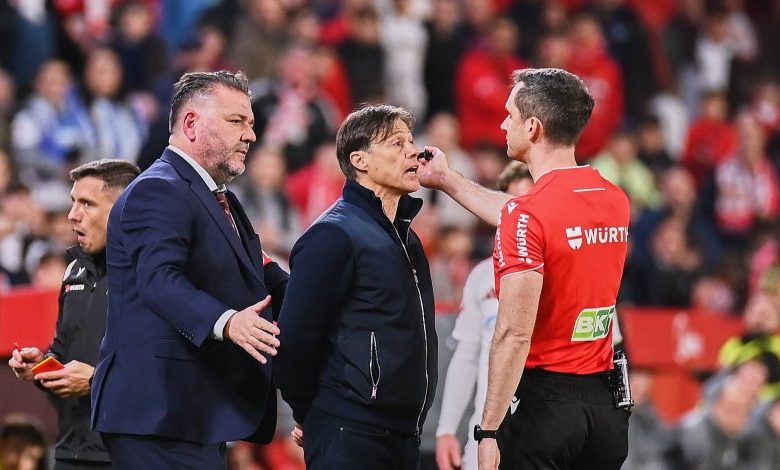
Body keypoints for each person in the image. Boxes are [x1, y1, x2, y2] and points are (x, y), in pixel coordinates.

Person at [417, 67, 631, 470]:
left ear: (532, 128)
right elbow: (531, 215)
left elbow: (514, 334)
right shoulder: (613, 198)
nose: (503, 124)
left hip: (546, 409)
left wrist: (488, 431)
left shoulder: (528, 215)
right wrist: (446, 180)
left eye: (510, 115)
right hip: (605, 411)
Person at [90, 70, 289, 469]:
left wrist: (329, 299)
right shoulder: (158, 189)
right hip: (156, 413)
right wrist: (228, 322)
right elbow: (159, 280)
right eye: (236, 121)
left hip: (190, 412)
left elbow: (261, 274)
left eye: (251, 123)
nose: (250, 135)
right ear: (192, 124)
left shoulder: (218, 197)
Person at [274, 104, 438, 469]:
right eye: (397, 143)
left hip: (403, 434)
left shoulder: (407, 238)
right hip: (350, 431)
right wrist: (310, 411)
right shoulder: (333, 235)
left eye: (411, 141)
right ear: (359, 160)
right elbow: (296, 339)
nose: (413, 151)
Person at [8, 159, 140, 469]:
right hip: (71, 450)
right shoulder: (73, 271)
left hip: (127, 453)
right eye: (73, 202)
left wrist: (95, 381)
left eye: (87, 204)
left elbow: (166, 370)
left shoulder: (150, 275)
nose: (72, 215)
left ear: (124, 209)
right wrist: (41, 366)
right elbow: (63, 349)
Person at [435, 162, 533, 470]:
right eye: (510, 204)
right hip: (484, 435)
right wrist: (446, 429)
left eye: (528, 203)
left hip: (540, 432)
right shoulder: (481, 276)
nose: (520, 214)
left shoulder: (564, 271)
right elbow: (466, 356)